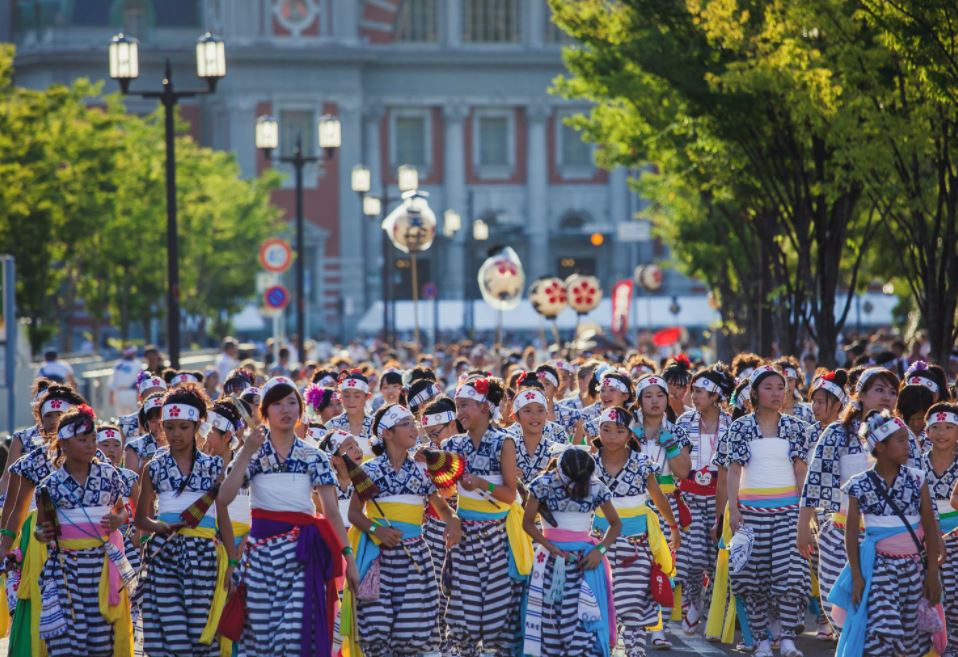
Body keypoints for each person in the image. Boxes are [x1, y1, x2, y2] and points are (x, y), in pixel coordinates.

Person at [218, 376, 359, 657]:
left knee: (296, 639)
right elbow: (224, 498)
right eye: (277, 403)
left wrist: (349, 558)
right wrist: (246, 451)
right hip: (259, 558)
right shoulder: (253, 454)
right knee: (259, 640)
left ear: (301, 409)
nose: (285, 410)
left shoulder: (314, 455)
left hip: (301, 556)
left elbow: (331, 512)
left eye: (292, 402)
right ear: (265, 411)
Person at [349, 404, 461, 656]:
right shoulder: (370, 470)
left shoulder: (422, 471)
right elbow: (354, 513)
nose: (414, 428)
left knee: (414, 631)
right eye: (406, 424)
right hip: (378, 557)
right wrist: (377, 530)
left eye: (413, 422)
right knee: (377, 628)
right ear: (387, 433)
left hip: (415, 559)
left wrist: (453, 521)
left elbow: (442, 509)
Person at [134, 384, 235, 657]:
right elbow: (140, 518)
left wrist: (232, 562)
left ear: (196, 425)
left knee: (201, 632)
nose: (175, 434)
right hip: (164, 554)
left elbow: (222, 517)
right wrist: (160, 527)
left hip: (204, 557)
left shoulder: (214, 467)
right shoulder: (153, 467)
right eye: (169, 427)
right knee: (170, 630)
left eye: (183, 427)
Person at [830, 410, 940, 657]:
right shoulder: (859, 484)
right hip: (879, 570)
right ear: (879, 446)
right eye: (900, 440)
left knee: (912, 637)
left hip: (913, 569)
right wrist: (857, 575)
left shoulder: (916, 479)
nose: (908, 446)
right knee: (881, 631)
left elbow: (930, 528)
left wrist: (932, 573)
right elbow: (851, 534)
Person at [34, 405, 133, 656]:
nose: (90, 445)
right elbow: (40, 529)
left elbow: (122, 511)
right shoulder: (49, 486)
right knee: (66, 640)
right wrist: (41, 534)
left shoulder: (109, 474)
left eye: (93, 439)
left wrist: (117, 520)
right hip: (65, 569)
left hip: (101, 566)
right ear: (64, 444)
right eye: (83, 440)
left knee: (101, 641)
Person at [442, 375, 529, 657]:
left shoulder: (503, 441)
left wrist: (481, 484)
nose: (460, 413)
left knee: (498, 610)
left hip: (498, 534)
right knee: (463, 608)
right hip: (465, 533)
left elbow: (509, 494)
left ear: (483, 406)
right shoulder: (453, 445)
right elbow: (442, 492)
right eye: (457, 405)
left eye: (465, 404)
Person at [727, 366, 810, 657]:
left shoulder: (796, 426)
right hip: (750, 513)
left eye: (781, 387)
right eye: (769, 387)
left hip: (788, 511)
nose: (777, 393)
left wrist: (804, 513)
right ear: (754, 393)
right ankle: (761, 641)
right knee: (753, 579)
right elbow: (733, 470)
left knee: (789, 575)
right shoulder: (740, 427)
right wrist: (733, 510)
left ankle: (787, 638)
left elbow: (801, 472)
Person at [593, 406, 680, 657]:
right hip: (600, 545)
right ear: (598, 431)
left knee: (634, 605)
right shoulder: (589, 462)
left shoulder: (642, 463)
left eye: (619, 431)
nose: (611, 436)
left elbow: (658, 498)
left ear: (630, 434)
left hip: (637, 545)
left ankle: (636, 652)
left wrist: (673, 527)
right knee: (603, 604)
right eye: (606, 430)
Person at [521, 447, 619, 657]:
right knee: (550, 618)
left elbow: (616, 524)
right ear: (560, 473)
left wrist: (599, 550)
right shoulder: (542, 484)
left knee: (583, 618)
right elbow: (527, 523)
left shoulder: (596, 486)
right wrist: (551, 548)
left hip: (586, 561)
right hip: (548, 561)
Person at [674, 363, 734, 634]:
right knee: (692, 557)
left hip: (720, 495)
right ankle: (694, 602)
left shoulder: (732, 423)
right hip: (689, 495)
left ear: (715, 395)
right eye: (693, 390)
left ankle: (711, 607)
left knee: (716, 557)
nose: (693, 396)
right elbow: (678, 461)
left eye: (700, 391)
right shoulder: (684, 421)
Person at [327, 370, 374, 459]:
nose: (351, 400)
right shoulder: (331, 426)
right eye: (347, 395)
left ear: (367, 397)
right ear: (340, 396)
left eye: (357, 396)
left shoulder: (376, 426)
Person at [109, 346, 142, 416]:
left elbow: (140, 380)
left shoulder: (137, 363)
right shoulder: (118, 363)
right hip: (119, 391)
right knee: (121, 416)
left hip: (133, 392)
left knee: (135, 415)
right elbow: (113, 380)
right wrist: (111, 395)